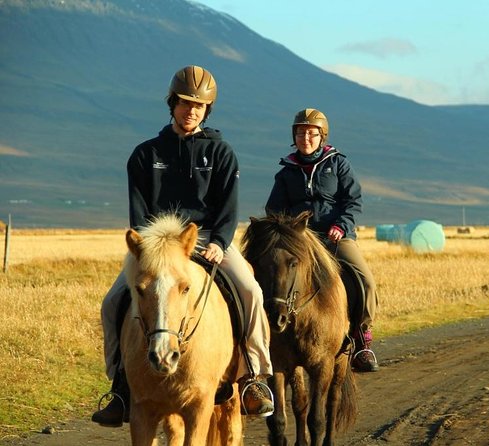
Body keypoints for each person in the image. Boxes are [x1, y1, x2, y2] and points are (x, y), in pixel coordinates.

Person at [92, 65, 274, 427]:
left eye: (199, 106)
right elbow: (139, 213)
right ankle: (120, 386)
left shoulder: (221, 153)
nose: (191, 110)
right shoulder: (145, 155)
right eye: (185, 103)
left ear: (207, 111)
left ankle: (254, 376)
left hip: (207, 241)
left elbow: (228, 209)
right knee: (113, 301)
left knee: (250, 290)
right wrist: (149, 249)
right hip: (158, 248)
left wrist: (221, 243)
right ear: (172, 104)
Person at [265, 108, 379, 372]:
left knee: (365, 281)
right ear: (294, 136)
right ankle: (267, 337)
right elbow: (274, 211)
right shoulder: (286, 172)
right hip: (301, 239)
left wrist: (342, 225)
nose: (306, 137)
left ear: (322, 136)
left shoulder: (338, 164)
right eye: (301, 132)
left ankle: (362, 339)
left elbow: (353, 201)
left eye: (312, 133)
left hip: (335, 238)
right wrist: (291, 231)